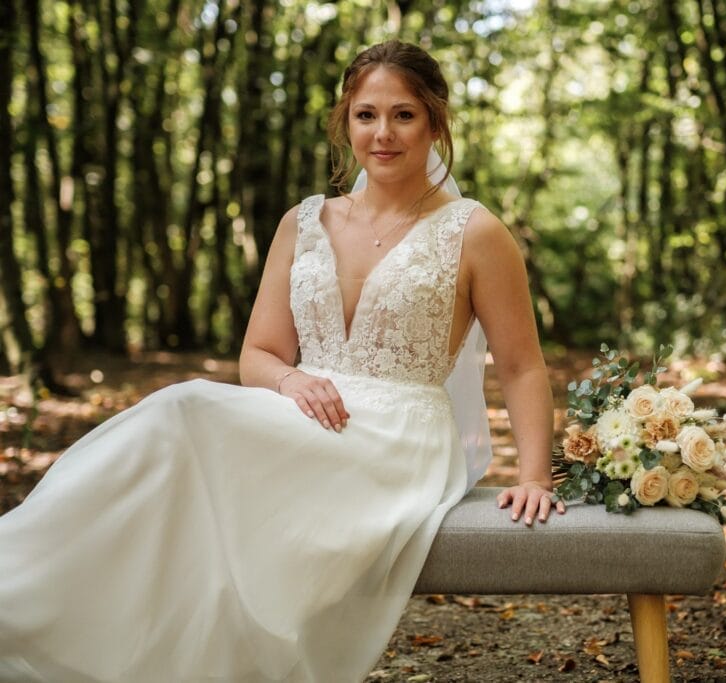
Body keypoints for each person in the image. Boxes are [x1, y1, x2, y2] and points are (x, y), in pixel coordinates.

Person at [0, 40, 563, 682]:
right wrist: (293, 380)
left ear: (436, 122)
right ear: (344, 121)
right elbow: (258, 356)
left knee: (186, 411)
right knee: (180, 425)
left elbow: (521, 366)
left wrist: (536, 477)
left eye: (404, 115)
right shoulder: (304, 223)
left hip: (400, 440)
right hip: (302, 419)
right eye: (365, 114)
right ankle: (33, 593)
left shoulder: (477, 232)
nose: (383, 133)